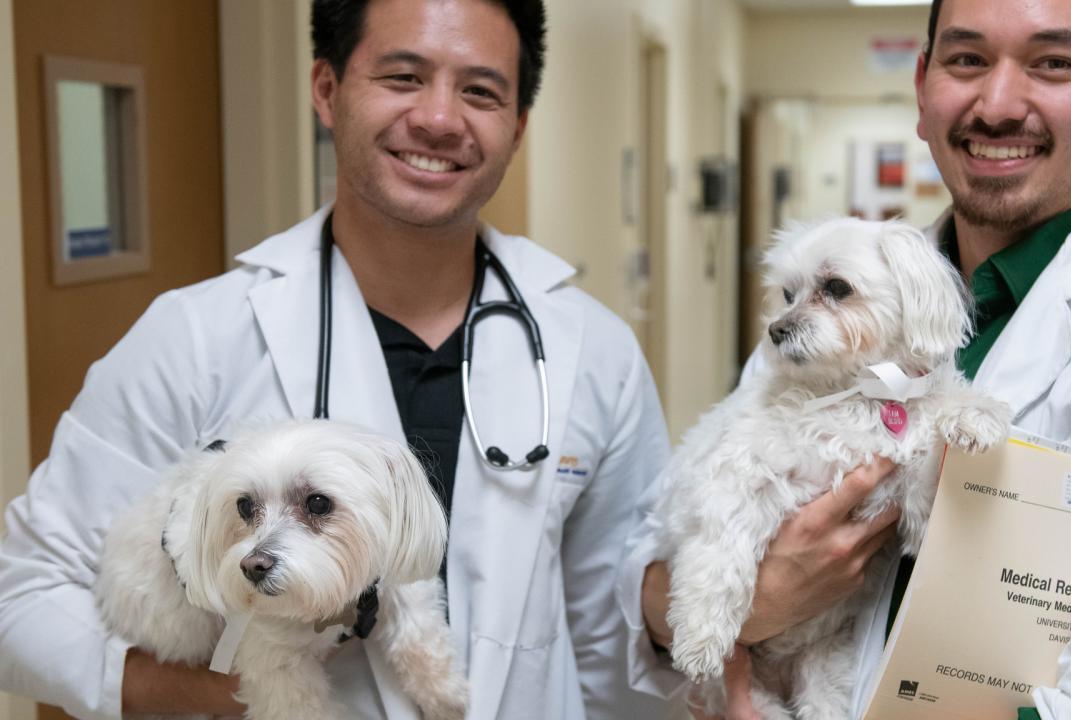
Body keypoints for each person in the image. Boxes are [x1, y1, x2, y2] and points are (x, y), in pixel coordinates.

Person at [0, 1, 677, 718]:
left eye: (481, 91)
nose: (440, 119)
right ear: (326, 90)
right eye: (404, 76)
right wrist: (232, 701)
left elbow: (616, 635)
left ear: (517, 125)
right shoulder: (195, 337)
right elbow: (20, 600)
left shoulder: (594, 351)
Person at [631, 0, 1071, 718]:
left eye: (1054, 62)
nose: (997, 105)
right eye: (967, 59)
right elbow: (655, 569)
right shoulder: (844, 301)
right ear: (922, 87)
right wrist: (746, 605)